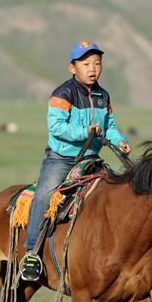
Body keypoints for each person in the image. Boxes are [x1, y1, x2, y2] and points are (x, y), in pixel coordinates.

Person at [19, 40, 131, 281]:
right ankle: (31, 252)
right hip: (61, 159)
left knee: (117, 191)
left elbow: (108, 126)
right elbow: (57, 127)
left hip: (91, 159)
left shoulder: (103, 95)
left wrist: (119, 140)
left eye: (97, 63)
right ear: (73, 68)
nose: (93, 68)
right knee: (44, 193)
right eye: (86, 63)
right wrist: (85, 132)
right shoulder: (62, 94)